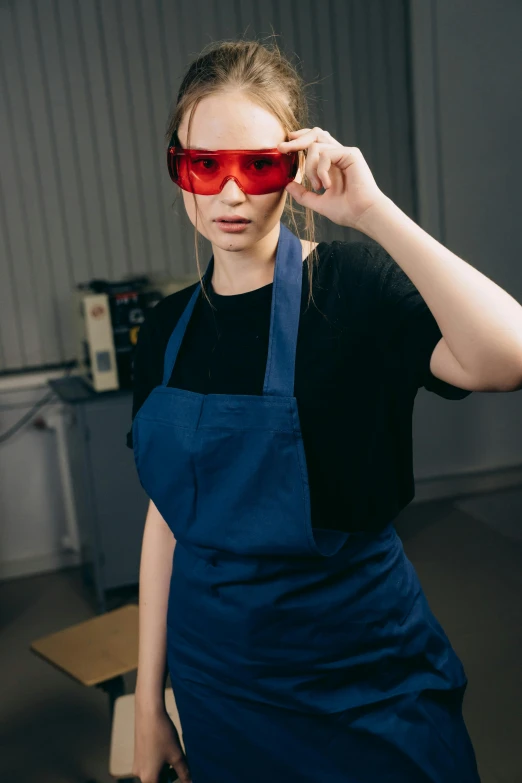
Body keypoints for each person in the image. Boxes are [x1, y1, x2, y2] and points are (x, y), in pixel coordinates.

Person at [127, 38, 485, 783]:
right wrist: (147, 701)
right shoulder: (164, 331)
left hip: (363, 676)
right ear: (178, 171)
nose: (230, 194)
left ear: (292, 170)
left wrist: (375, 212)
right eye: (206, 165)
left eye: (257, 165)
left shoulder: (350, 290)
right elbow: (167, 518)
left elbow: (506, 357)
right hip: (221, 684)